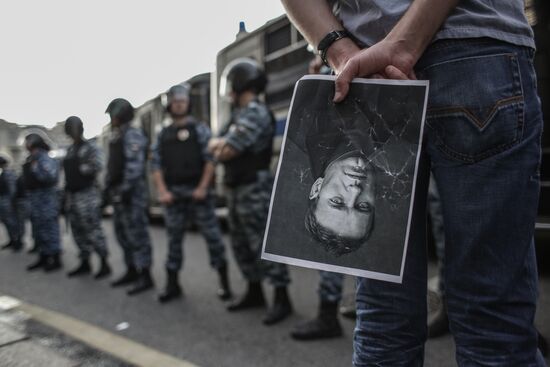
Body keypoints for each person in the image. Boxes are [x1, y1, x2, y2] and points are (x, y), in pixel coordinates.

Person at [281, 0, 546, 365]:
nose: (355, 190)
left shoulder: (318, 142)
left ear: (316, 188)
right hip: (472, 49)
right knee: (493, 320)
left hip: (366, 74)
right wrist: (400, 44)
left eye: (338, 201)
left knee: (383, 321)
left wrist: (341, 51)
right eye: (362, 207)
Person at [209, 58, 292, 325]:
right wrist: (221, 144)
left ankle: (282, 298)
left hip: (254, 189)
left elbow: (225, 150)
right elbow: (214, 146)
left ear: (240, 82)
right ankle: (254, 291)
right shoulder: (237, 115)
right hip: (236, 187)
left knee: (263, 245)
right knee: (241, 244)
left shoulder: (255, 111)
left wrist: (221, 145)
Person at [151, 84, 231, 303]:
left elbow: (210, 160)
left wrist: (203, 187)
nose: (179, 105)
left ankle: (224, 283)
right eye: (175, 102)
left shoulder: (200, 129)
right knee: (173, 242)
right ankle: (172, 284)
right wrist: (163, 192)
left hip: (199, 194)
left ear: (188, 104)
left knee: (213, 239)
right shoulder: (163, 134)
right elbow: (155, 165)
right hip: (174, 195)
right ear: (170, 105)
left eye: (182, 101)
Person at [291, 54, 345, 341]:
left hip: (340, 165)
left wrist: (320, 72)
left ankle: (328, 315)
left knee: (332, 242)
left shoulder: (337, 67)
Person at [105, 98, 154, 295]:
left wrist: (123, 191)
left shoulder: (133, 134)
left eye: (113, 115)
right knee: (123, 234)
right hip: (120, 194)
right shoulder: (117, 135)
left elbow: (133, 169)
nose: (111, 119)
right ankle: (132, 269)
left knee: (138, 235)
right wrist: (109, 190)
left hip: (132, 195)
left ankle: (145, 275)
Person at [63, 116, 111, 279]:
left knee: (93, 230)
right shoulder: (70, 150)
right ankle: (85, 261)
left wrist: (81, 169)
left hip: (88, 195)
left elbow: (98, 165)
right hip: (73, 196)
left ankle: (104, 263)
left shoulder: (90, 147)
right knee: (77, 231)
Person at [23, 133, 62, 272]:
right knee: (39, 230)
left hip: (46, 200)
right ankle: (44, 256)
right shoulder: (33, 158)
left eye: (28, 142)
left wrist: (35, 169)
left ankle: (55, 258)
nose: (26, 145)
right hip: (36, 200)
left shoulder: (43, 158)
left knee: (50, 229)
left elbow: (50, 177)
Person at [0, 154, 22, 252]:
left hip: (7, 201)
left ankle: (17, 241)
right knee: (7, 222)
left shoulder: (8, 173)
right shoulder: (4, 173)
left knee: (12, 222)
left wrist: (11, 202)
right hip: (4, 200)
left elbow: (12, 190)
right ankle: (12, 240)